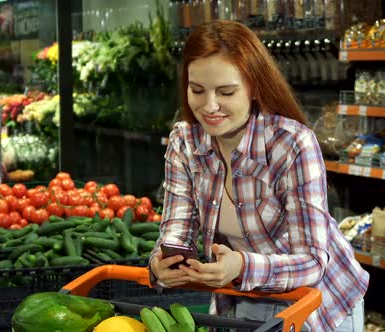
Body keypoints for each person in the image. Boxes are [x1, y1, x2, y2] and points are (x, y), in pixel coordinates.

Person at [149, 20, 369, 332]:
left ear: (254, 87)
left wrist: (241, 264)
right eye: (197, 90)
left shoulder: (291, 143)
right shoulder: (185, 142)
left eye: (226, 92)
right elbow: (176, 231)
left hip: (318, 301)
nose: (209, 106)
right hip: (238, 295)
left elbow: (313, 262)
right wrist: (162, 264)